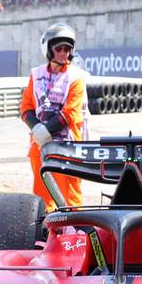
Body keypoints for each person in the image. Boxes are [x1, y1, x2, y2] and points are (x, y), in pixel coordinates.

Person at [21, 22, 88, 210]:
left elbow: (70, 113)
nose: (64, 53)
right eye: (59, 48)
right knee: (42, 200)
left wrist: (46, 130)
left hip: (68, 148)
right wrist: (36, 128)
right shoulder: (36, 75)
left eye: (68, 49)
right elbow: (25, 108)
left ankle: (77, 234)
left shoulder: (76, 78)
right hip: (40, 147)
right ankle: (46, 236)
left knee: (71, 200)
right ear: (49, 49)